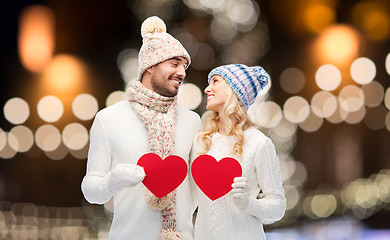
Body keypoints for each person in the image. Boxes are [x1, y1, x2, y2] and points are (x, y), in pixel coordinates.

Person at [81, 16, 202, 240]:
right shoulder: (109, 119)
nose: (182, 73)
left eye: (184, 66)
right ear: (150, 66)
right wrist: (110, 182)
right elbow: (90, 190)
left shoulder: (192, 121)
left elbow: (198, 190)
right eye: (174, 64)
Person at [191, 64, 286, 240]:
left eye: (215, 81)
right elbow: (189, 200)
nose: (207, 89)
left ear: (233, 90)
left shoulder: (259, 143)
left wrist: (248, 203)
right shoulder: (200, 143)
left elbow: (278, 207)